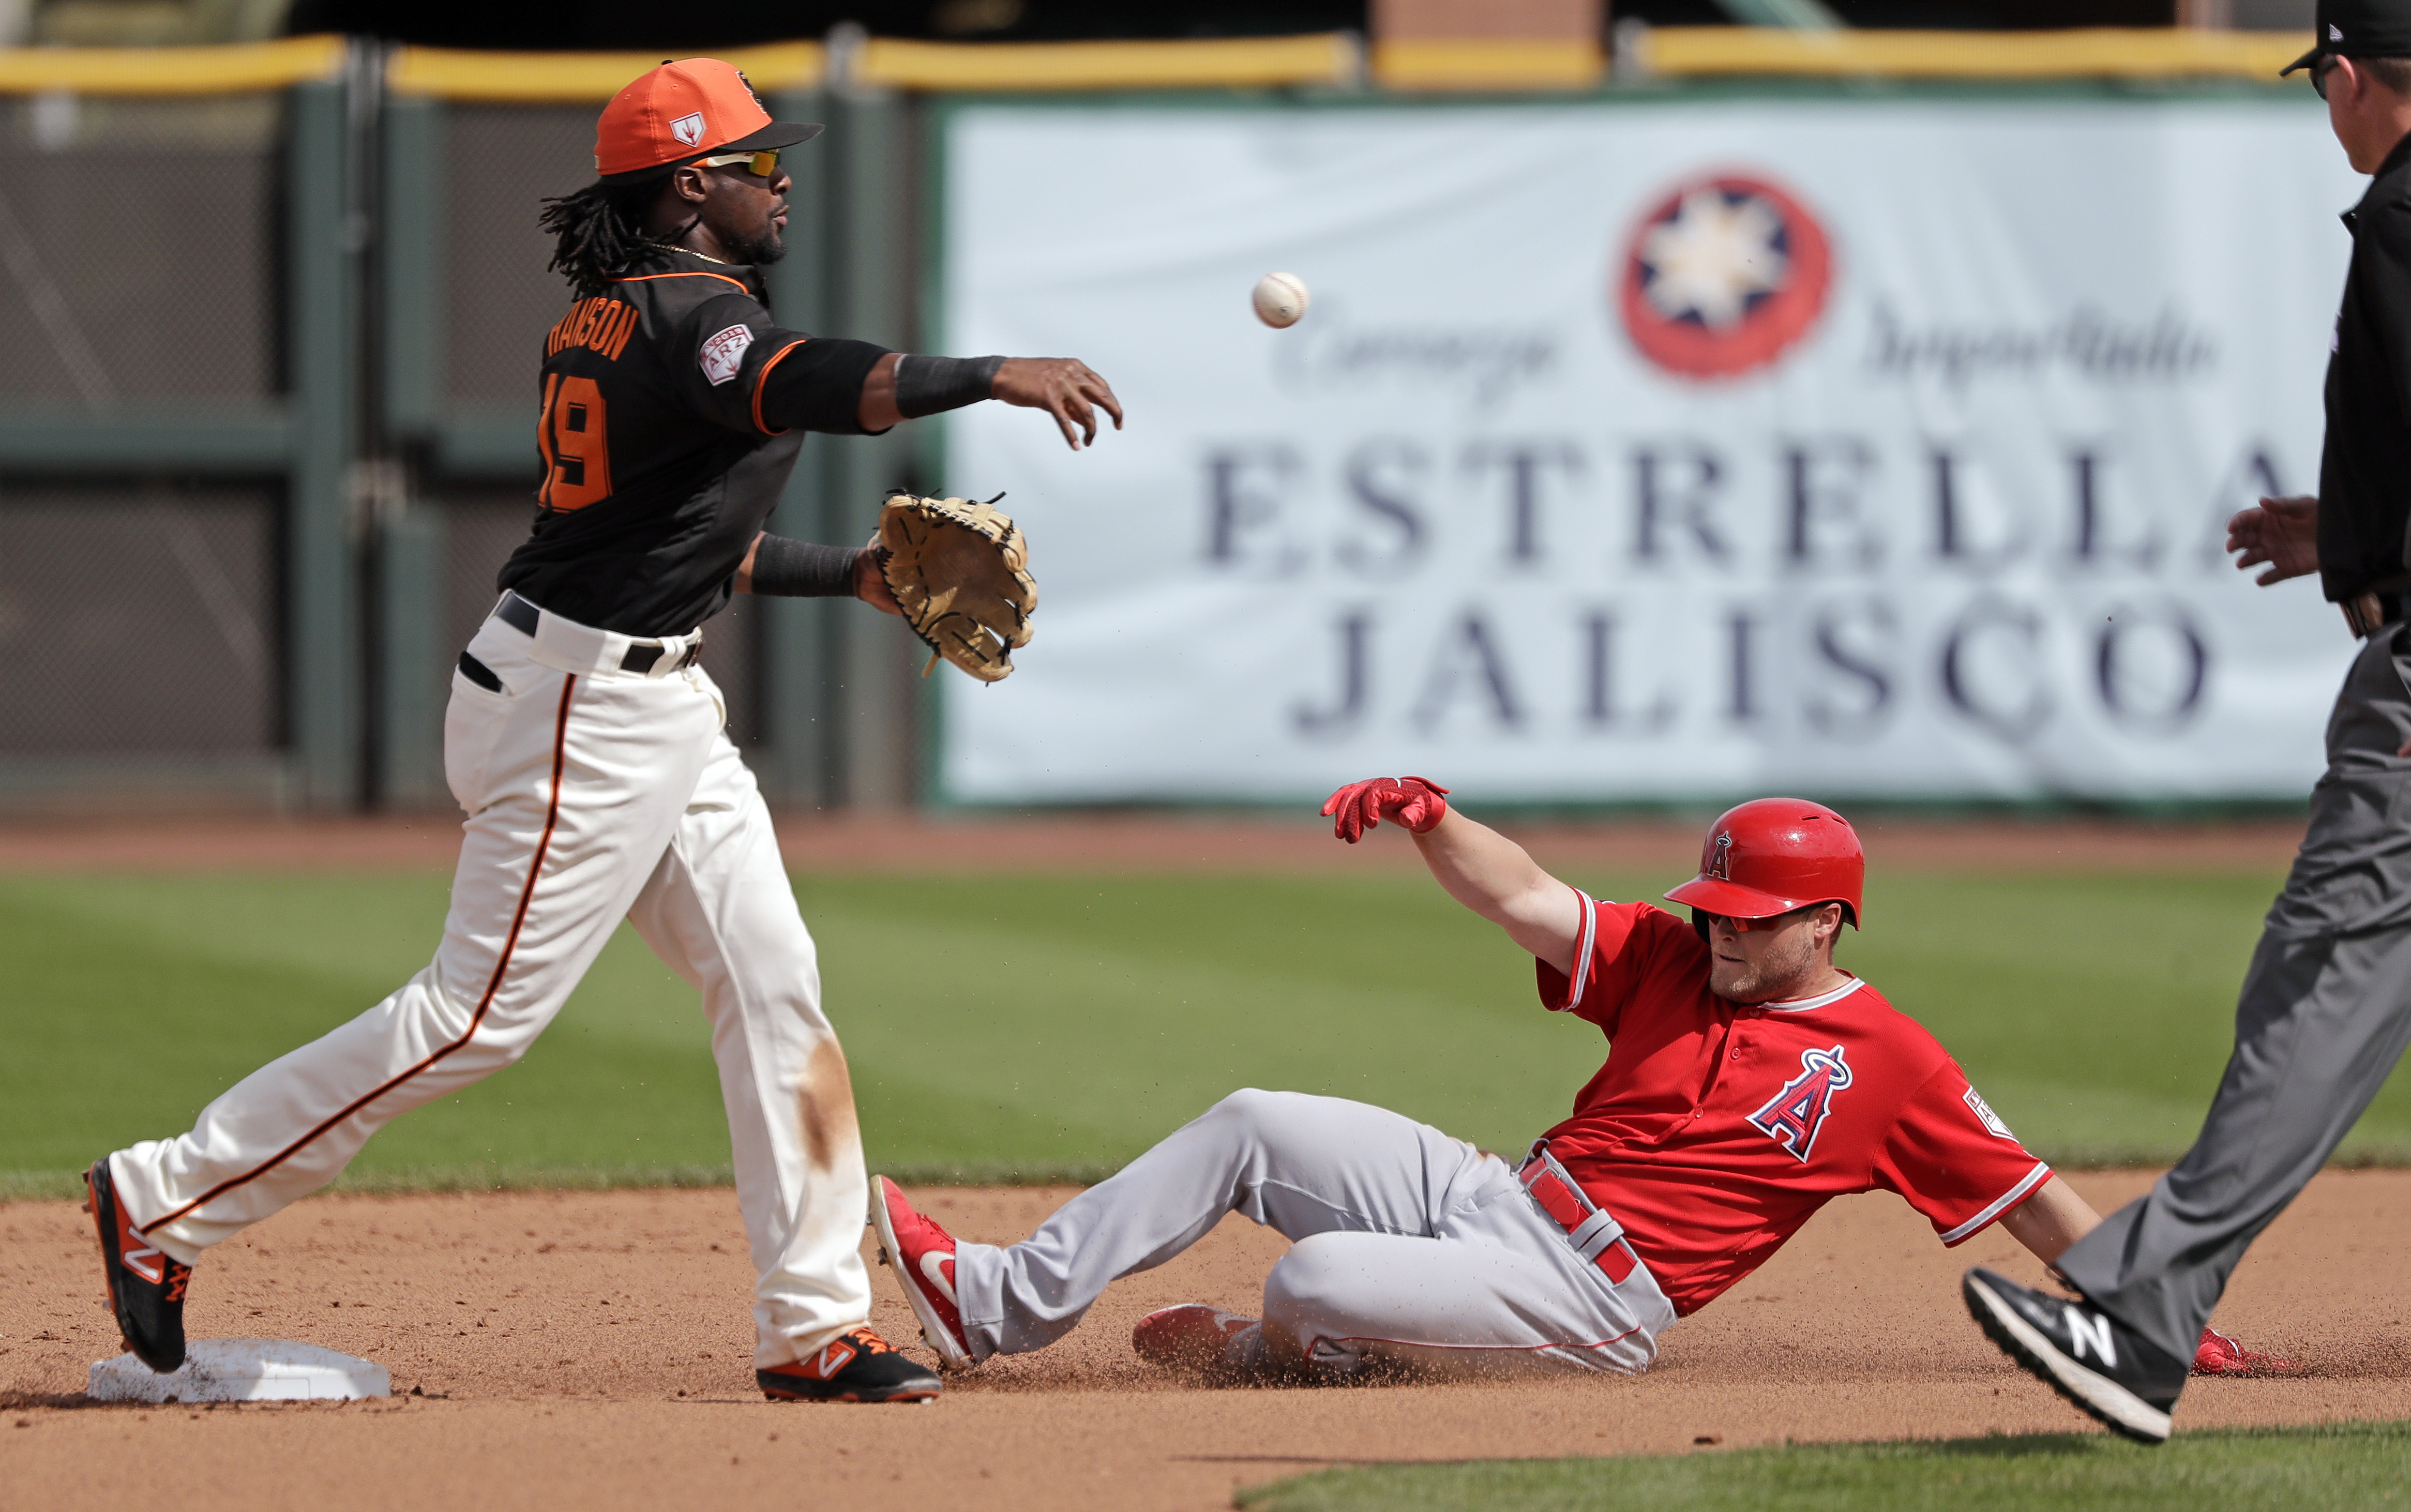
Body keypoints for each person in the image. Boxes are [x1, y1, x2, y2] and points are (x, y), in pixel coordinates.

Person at [80, 57, 1121, 1406]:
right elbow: (811, 381)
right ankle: (163, 1197)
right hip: (581, 711)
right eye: (757, 163)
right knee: (475, 1018)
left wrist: (855, 576)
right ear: (689, 188)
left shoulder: (618, 316)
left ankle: (811, 1324)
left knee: (771, 978)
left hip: (639, 695)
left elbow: (685, 548)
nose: (782, 180)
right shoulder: (697, 318)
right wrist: (986, 376)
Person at [861, 779, 2134, 1382]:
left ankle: (1270, 1351)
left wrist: (2159, 1314)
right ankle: (994, 1303)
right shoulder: (1670, 955)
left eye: (1751, 918)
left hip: (1594, 1296)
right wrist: (1434, 819)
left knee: (1310, 1279)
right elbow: (1525, 895)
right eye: (1715, 908)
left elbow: (2031, 1196)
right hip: (1498, 1195)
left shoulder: (1895, 1062)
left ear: (1829, 920)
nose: (1721, 931)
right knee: (1253, 1122)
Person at [1961, 0, 2411, 1446]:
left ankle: (2140, 1312)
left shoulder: (2402, 217)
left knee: (2319, 985)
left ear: (2349, 75)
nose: (2324, 106)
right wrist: (2356, 526)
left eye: (2321, 82)